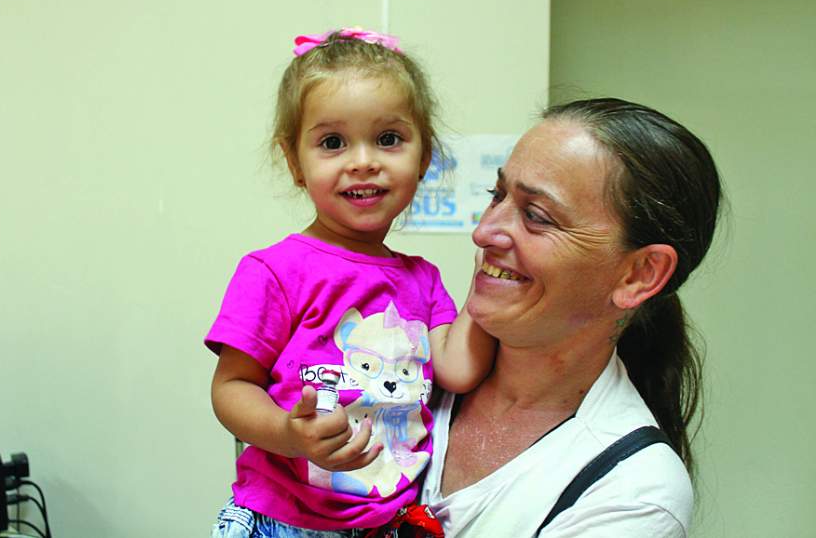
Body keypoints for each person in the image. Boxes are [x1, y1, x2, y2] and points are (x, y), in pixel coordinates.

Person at [205, 28, 494, 537]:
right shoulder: (273, 271)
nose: (363, 160)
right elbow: (231, 387)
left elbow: (459, 369)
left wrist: (490, 267)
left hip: (385, 523)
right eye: (332, 143)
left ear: (424, 158)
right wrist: (286, 434)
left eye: (388, 139)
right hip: (281, 520)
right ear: (295, 162)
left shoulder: (422, 280)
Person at [420, 98, 723, 537]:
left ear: (640, 274)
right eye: (497, 195)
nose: (483, 232)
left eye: (536, 216)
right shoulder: (409, 360)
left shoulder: (633, 494)